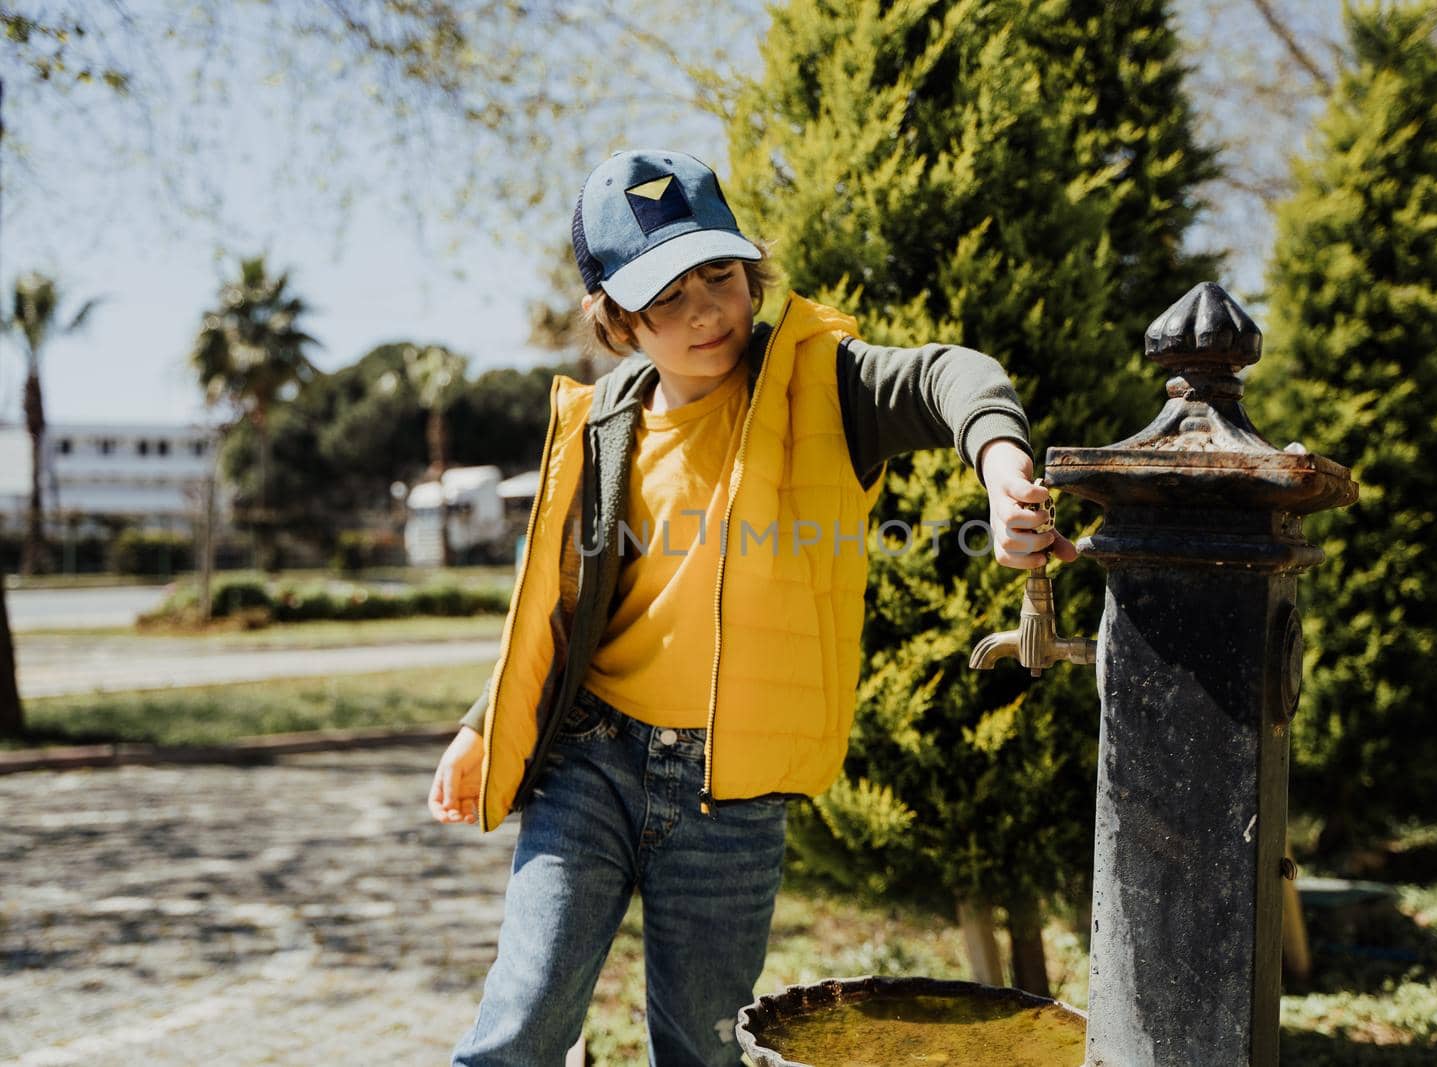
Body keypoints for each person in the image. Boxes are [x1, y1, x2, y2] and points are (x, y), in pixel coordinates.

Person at [429, 148, 1076, 1067]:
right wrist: (484, 723)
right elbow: (561, 609)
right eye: (666, 295)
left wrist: (1004, 467)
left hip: (729, 796)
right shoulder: (603, 422)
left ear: (750, 273)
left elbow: (950, 376)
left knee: (702, 1044)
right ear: (614, 315)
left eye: (720, 277)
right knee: (522, 1020)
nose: (705, 312)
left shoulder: (822, 385)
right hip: (593, 760)